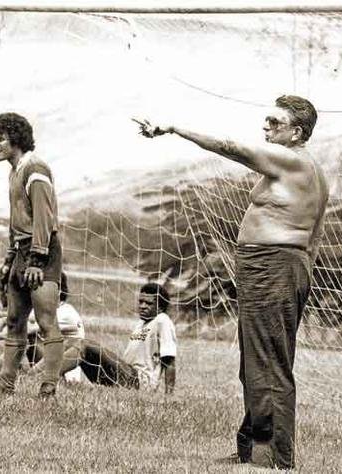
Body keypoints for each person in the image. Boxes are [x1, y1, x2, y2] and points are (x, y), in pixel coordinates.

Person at [136, 95, 328, 469]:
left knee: (267, 363)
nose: (266, 128)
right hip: (283, 267)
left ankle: (271, 456)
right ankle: (252, 448)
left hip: (273, 266)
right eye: (266, 122)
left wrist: (174, 127)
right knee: (257, 362)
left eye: (275, 123)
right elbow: (315, 237)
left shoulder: (292, 160)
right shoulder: (310, 170)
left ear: (297, 132)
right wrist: (296, 274)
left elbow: (230, 148)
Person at [0, 112, 65, 398]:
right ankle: (6, 382)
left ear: (16, 140)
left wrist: (37, 259)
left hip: (41, 251)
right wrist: (10, 259)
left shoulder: (36, 168)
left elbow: (44, 218)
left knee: (46, 321)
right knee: (14, 319)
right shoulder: (14, 170)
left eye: (0, 140)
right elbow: (16, 220)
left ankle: (48, 387)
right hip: (22, 250)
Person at [76, 283, 177, 394]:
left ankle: (53, 379)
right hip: (126, 374)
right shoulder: (141, 322)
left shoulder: (162, 320)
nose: (142, 306)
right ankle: (60, 377)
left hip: (140, 380)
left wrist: (168, 395)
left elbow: (170, 361)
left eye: (148, 303)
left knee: (86, 345)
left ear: (160, 308)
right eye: (140, 302)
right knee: (77, 346)